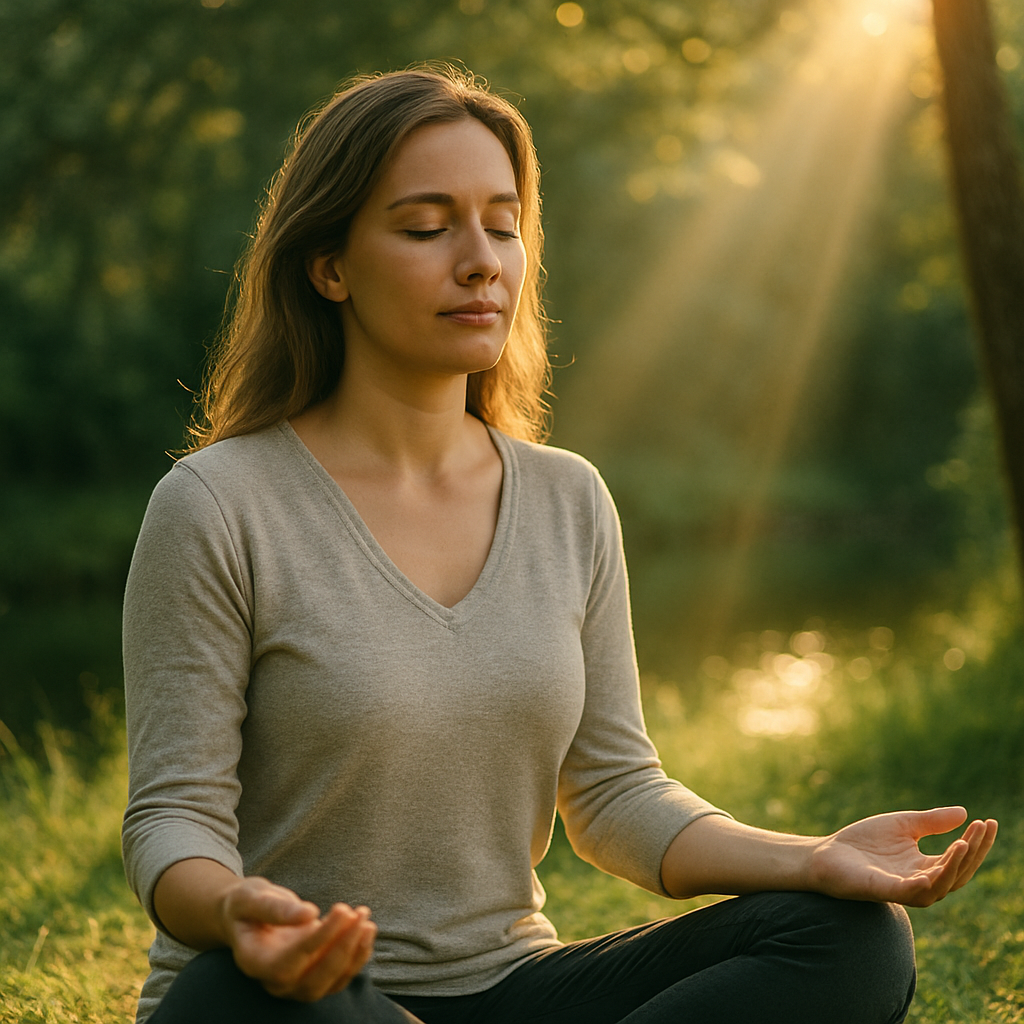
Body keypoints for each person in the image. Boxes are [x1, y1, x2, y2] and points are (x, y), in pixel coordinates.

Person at [121, 66, 997, 1024]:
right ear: (328, 266)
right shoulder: (217, 505)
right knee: (228, 995)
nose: (481, 260)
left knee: (848, 936)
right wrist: (236, 909)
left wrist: (812, 858)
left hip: (512, 988)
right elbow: (173, 820)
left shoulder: (566, 498)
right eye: (426, 227)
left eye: (503, 224)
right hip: (307, 997)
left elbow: (617, 794)